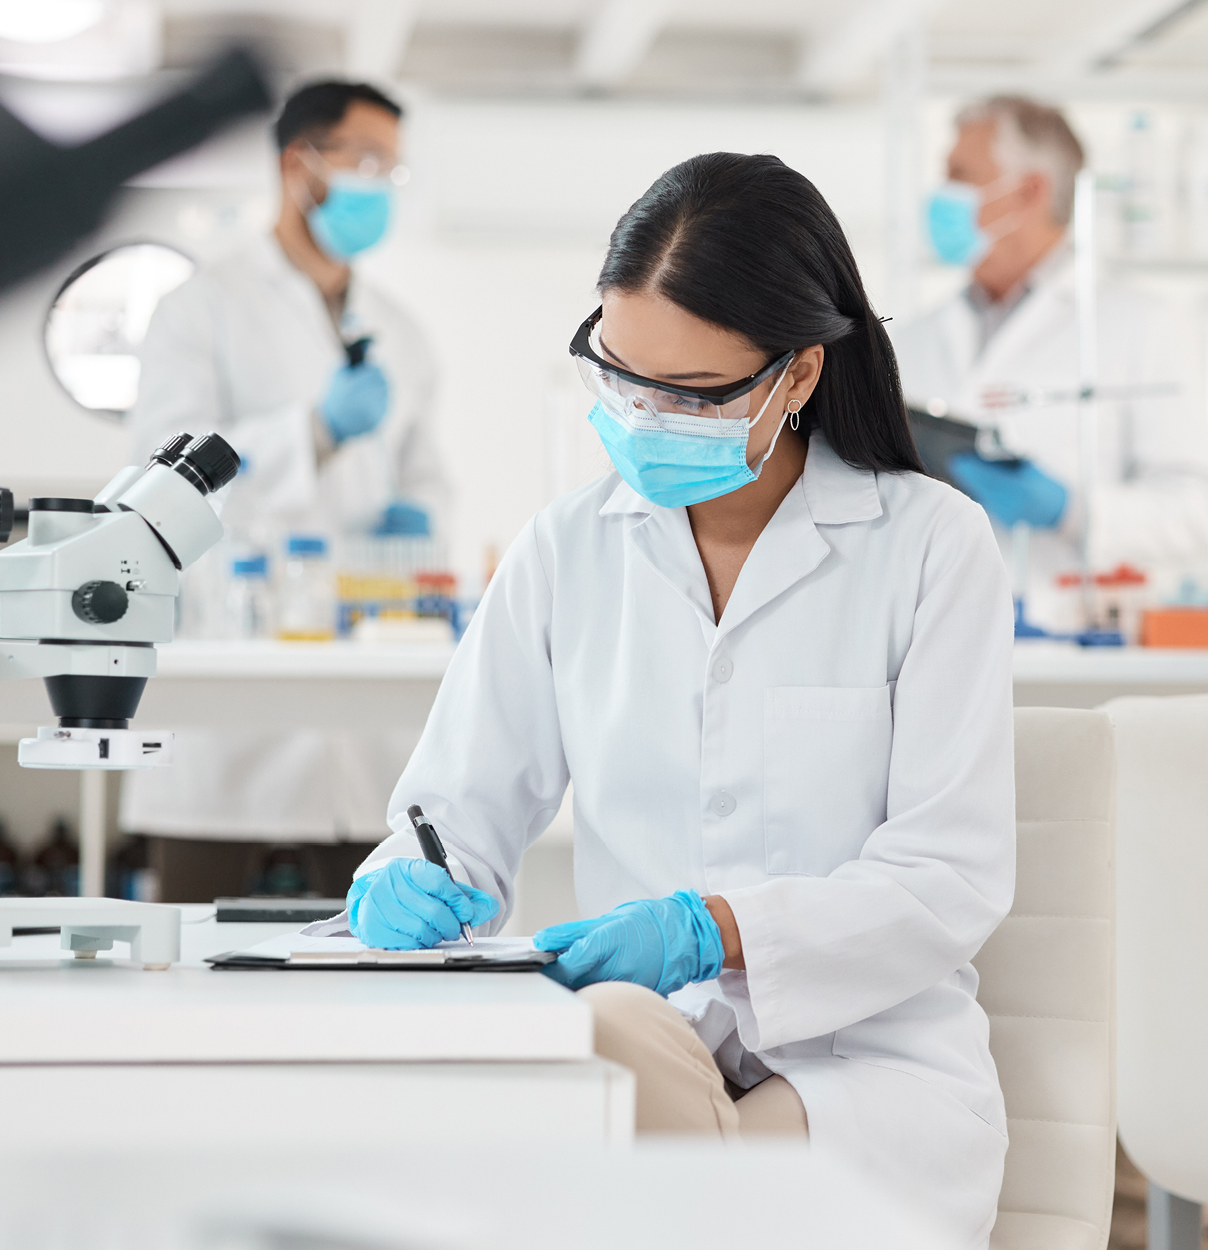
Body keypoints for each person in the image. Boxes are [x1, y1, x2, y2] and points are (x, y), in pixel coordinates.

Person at [337, 153, 1016, 1248]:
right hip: (651, 1042)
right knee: (606, 1058)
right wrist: (412, 877)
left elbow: (950, 874)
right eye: (619, 373)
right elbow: (454, 812)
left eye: (693, 393)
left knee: (639, 1168)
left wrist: (720, 929)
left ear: (798, 375)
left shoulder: (932, 547)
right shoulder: (566, 549)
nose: (646, 415)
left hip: (867, 1068)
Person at [119, 80, 446, 892]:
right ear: (299, 165)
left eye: (392, 171)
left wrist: (416, 525)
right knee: (197, 974)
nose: (380, 186)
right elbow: (162, 478)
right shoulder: (201, 308)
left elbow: (430, 478)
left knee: (359, 966)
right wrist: (316, 430)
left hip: (361, 724)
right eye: (366, 161)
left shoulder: (401, 331)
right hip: (229, 720)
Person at [892, 95, 1208, 634]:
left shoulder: (1137, 324)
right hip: (929, 636)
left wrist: (1073, 511)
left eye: (960, 176)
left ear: (1028, 191)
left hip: (1069, 641)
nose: (941, 196)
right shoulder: (912, 340)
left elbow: (1198, 513)